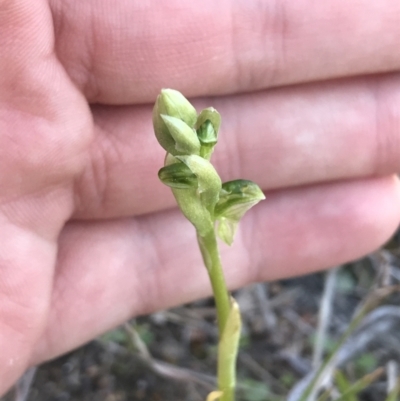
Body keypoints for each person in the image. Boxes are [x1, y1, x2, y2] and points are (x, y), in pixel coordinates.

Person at [1, 0, 400, 394]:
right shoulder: (187, 172)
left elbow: (234, 199)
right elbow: (204, 199)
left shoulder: (208, 181)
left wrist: (221, 198)